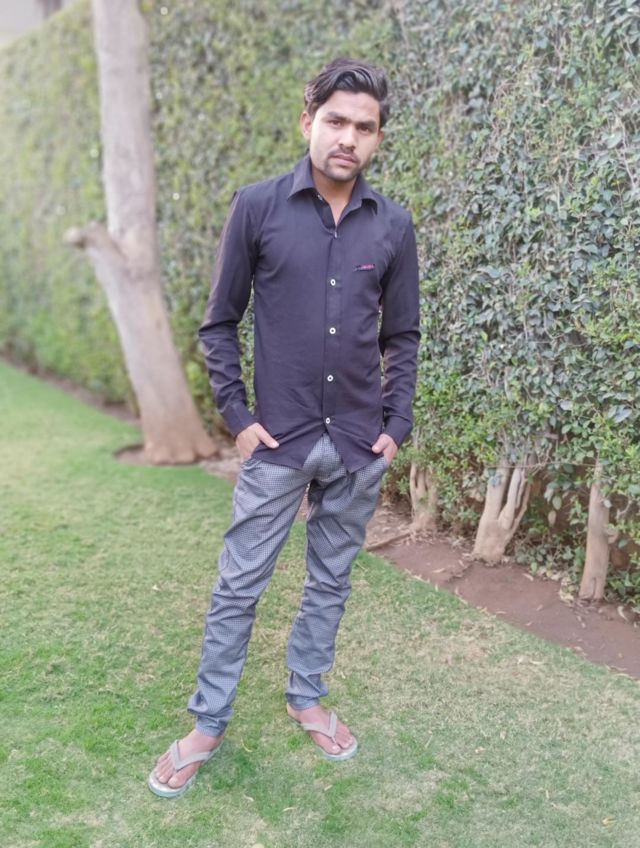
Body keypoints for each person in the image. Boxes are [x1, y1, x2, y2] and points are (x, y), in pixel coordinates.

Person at [149, 57, 420, 798]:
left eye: (364, 127)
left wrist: (396, 424)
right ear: (308, 123)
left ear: (378, 138)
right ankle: (208, 723)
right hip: (278, 442)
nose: (348, 138)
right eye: (335, 121)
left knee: (331, 582)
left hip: (359, 444)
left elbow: (402, 335)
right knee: (239, 586)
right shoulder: (257, 207)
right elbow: (219, 324)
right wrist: (238, 419)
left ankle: (307, 696)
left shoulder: (394, 226)